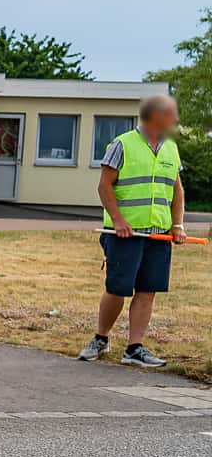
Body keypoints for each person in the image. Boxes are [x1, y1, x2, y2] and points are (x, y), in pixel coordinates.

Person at [80, 95, 187, 368]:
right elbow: (104, 186)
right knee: (118, 288)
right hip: (125, 234)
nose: (174, 120)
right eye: (170, 115)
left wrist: (177, 225)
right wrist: (117, 221)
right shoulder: (122, 144)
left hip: (158, 233)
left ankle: (135, 348)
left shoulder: (171, 149)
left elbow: (176, 189)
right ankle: (101, 338)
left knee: (147, 290)